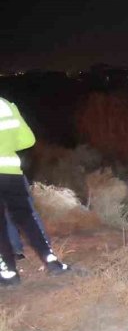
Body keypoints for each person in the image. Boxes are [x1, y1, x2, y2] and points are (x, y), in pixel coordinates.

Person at [0, 96, 68, 287]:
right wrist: (6, 146)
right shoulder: (7, 105)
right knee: (26, 217)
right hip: (12, 173)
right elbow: (28, 140)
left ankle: (9, 275)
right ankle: (52, 263)